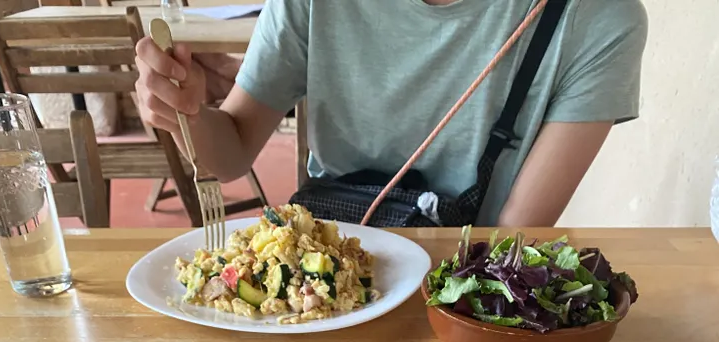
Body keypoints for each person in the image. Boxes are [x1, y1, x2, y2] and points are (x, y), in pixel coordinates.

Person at [135, 0, 648, 226]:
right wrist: (187, 112)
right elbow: (230, 153)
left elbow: (513, 234)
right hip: (317, 273)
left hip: (463, 290)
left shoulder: (599, 18)